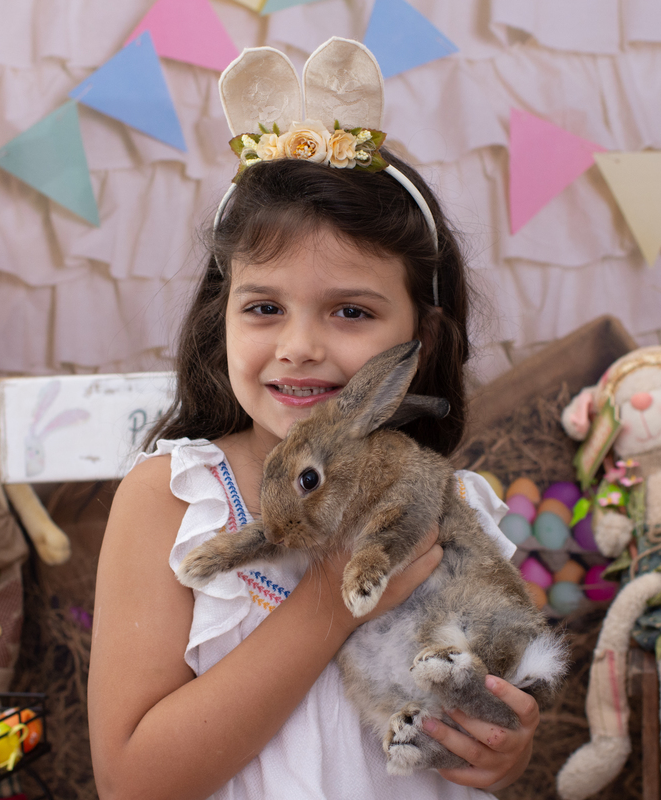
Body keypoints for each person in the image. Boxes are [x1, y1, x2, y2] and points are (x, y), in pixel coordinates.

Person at [88, 44, 542, 800]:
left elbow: (484, 710)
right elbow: (133, 782)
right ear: (221, 319)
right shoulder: (176, 500)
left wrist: (503, 752)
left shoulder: (452, 511)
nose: (299, 347)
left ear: (418, 340)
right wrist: (331, 600)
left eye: (351, 311)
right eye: (265, 307)